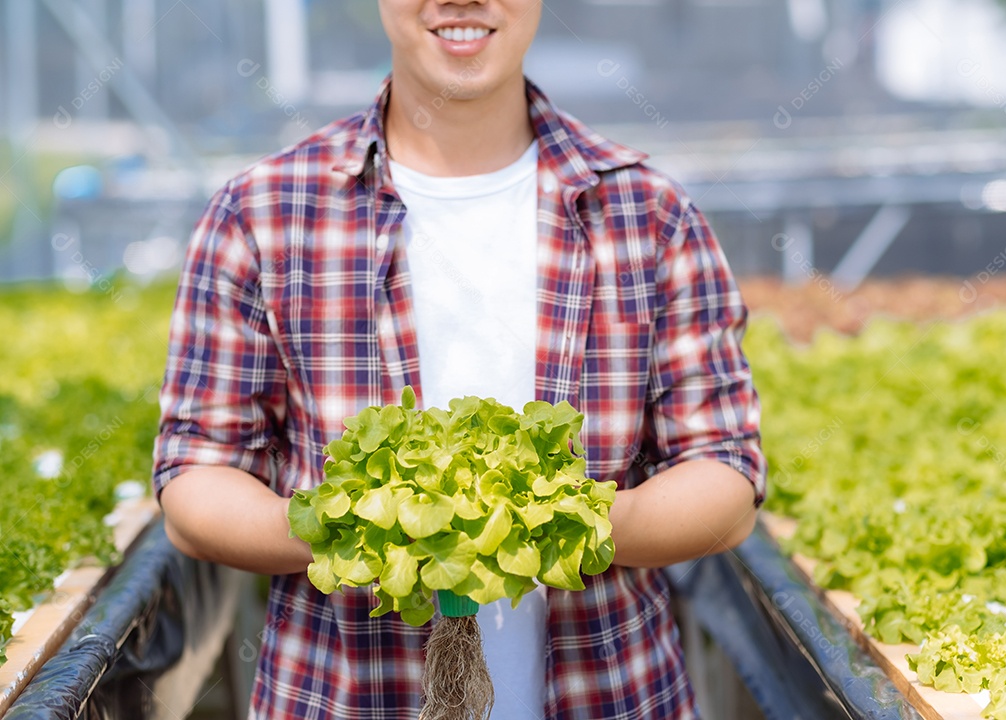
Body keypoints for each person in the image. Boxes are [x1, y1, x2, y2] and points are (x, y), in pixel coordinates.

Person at [153, 1, 766, 718]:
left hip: (611, 693)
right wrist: (370, 529)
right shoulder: (264, 213)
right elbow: (196, 481)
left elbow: (724, 477)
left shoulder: (648, 213)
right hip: (343, 696)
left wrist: (548, 526)